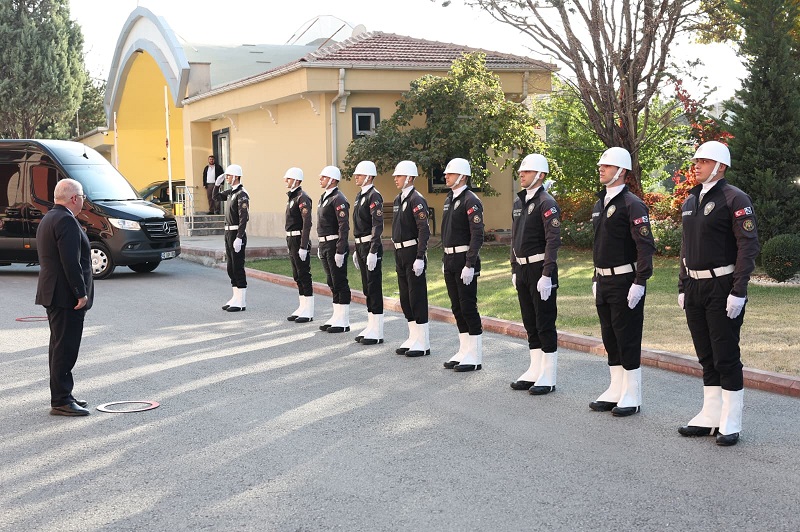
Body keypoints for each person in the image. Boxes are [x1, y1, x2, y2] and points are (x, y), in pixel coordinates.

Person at [677, 141, 759, 446]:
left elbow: (747, 246)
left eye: (703, 160)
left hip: (722, 286)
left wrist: (739, 290)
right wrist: (682, 284)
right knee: (706, 355)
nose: (696, 165)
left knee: (725, 355)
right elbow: (686, 247)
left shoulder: (734, 198)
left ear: (720, 166)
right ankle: (710, 416)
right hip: (696, 287)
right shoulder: (691, 200)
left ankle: (731, 421)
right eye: (695, 160)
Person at [589, 147, 656, 417]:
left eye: (607, 166)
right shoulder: (600, 202)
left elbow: (645, 246)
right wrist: (596, 276)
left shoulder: (633, 204)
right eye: (601, 166)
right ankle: (616, 388)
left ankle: (633, 394)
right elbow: (599, 244)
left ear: (622, 172)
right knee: (610, 336)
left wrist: (640, 281)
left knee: (627, 337)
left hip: (625, 280)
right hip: (604, 280)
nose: (601, 169)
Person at [35, 178, 94, 416]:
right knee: (65, 348)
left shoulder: (50, 217)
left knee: (59, 346)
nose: (83, 201)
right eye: (82, 197)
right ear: (73, 198)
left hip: (54, 292)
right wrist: (80, 293)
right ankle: (60, 400)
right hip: (65, 295)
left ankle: (63, 394)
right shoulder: (66, 220)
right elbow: (70, 261)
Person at [507, 154, 561, 394]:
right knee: (530, 322)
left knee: (544, 322)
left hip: (541, 268)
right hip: (523, 268)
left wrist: (547, 274)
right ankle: (535, 369)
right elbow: (514, 237)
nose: (522, 174)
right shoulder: (520, 202)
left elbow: (553, 241)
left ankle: (548, 375)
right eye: (521, 172)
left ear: (540, 175)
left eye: (526, 172)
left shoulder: (547, 203)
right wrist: (513, 267)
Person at [440, 158, 485, 372]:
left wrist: (470, 263)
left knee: (468, 306)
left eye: (450, 173)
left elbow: (477, 235)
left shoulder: (470, 200)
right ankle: (464, 350)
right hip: (450, 258)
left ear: (462, 176)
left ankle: (475, 356)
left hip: (464, 259)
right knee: (457, 307)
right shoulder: (450, 199)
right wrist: (444, 259)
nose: (446, 176)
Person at [391, 160, 431, 357]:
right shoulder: (399, 199)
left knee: (417, 297)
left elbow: (424, 230)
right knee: (405, 297)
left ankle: (423, 342)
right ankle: (413, 336)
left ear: (409, 177)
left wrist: (420, 256)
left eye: (398, 176)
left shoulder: (417, 199)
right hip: (400, 252)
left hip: (412, 251)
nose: (395, 179)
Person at [351, 160, 385, 345]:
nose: (356, 176)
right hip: (361, 245)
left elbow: (376, 225)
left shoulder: (374, 196)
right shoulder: (360, 195)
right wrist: (357, 249)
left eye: (360, 174)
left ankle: (377, 330)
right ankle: (371, 325)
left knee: (373, 286)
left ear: (369, 176)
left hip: (371, 246)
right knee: (366, 287)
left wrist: (373, 250)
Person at [316, 165, 352, 333]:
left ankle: (343, 320)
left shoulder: (338, 198)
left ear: (332, 179)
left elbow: (343, 227)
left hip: (334, 244)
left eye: (323, 177)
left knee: (340, 282)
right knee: (331, 282)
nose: (320, 179)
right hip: (324, 244)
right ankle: (336, 316)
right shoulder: (324, 197)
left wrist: (340, 250)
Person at [213, 164, 249, 312]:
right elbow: (216, 197)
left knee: (238, 267)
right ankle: (235, 297)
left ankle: (241, 301)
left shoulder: (242, 194)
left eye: (228, 175)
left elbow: (243, 218)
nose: (226, 178)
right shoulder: (231, 192)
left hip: (236, 233)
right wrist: (216, 184)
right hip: (228, 233)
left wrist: (239, 237)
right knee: (230, 267)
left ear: (235, 176)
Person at [283, 167, 314, 323]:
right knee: (297, 275)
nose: (285, 181)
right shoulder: (293, 197)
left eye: (288, 178)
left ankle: (308, 310)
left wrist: (303, 246)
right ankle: (302, 306)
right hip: (291, 239)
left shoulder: (303, 198)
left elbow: (306, 223)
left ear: (296, 180)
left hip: (298, 239)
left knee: (303, 274)